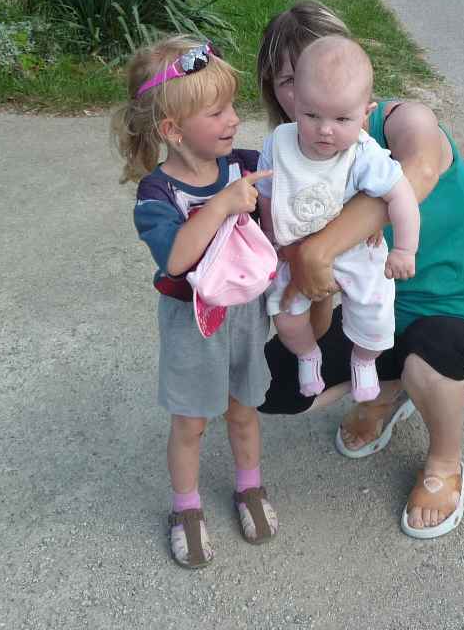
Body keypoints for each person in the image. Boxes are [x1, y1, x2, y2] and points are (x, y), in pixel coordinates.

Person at [256, 1, 464, 539]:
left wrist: (320, 248)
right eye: (291, 81)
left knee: (431, 352)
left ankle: (445, 463)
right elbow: (312, 280)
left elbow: (418, 169)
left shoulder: (401, 122)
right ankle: (389, 385)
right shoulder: (293, 156)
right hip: (381, 308)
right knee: (272, 385)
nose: (313, 92)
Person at [115, 37, 278, 569]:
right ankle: (186, 508)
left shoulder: (246, 165)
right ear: (173, 130)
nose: (234, 119)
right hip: (191, 322)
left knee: (244, 409)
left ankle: (249, 486)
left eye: (232, 106)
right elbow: (176, 259)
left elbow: (291, 205)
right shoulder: (157, 194)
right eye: (217, 112)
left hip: (247, 316)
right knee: (191, 423)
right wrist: (223, 205)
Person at [257, 36, 420, 403]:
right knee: (285, 316)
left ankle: (364, 360)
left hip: (355, 248)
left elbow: (402, 195)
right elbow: (267, 190)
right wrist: (270, 233)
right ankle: (307, 355)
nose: (325, 129)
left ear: (366, 113)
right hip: (293, 248)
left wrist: (405, 249)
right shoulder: (279, 143)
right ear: (295, 101)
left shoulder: (363, 153)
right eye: (312, 115)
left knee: (376, 316)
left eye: (342, 118)